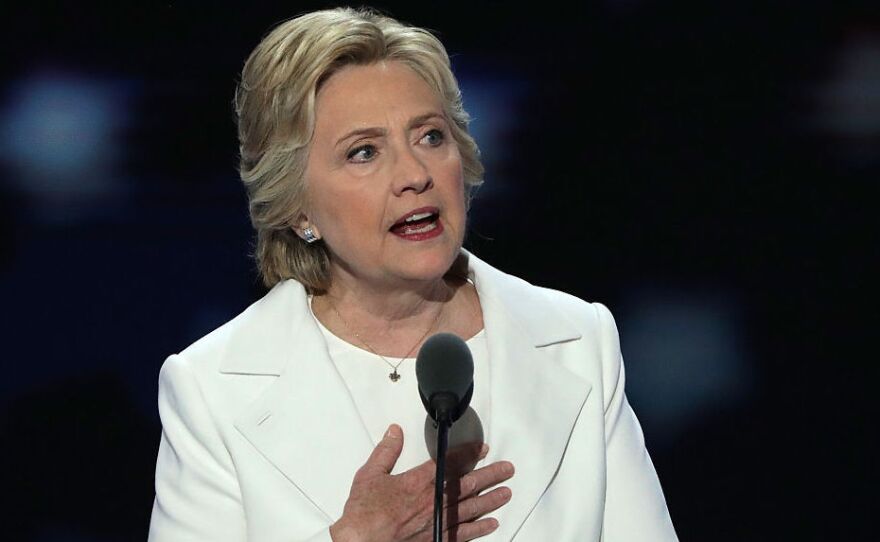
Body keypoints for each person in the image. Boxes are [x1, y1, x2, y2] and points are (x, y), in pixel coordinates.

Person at [147, 7, 677, 541]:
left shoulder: (579, 341)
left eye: (429, 137)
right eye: (364, 152)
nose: (415, 176)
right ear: (297, 208)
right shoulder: (210, 391)